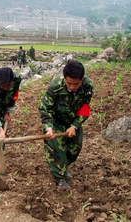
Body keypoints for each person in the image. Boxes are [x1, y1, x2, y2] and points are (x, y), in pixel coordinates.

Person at [38, 60, 93, 189]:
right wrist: (49, 128)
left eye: (76, 84)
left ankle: (63, 167)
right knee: (57, 150)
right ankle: (59, 179)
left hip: (73, 120)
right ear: (64, 78)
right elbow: (45, 108)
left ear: (82, 79)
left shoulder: (87, 86)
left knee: (75, 148)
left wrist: (74, 126)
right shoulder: (55, 86)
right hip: (56, 121)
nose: (73, 87)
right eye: (69, 83)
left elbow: (85, 107)